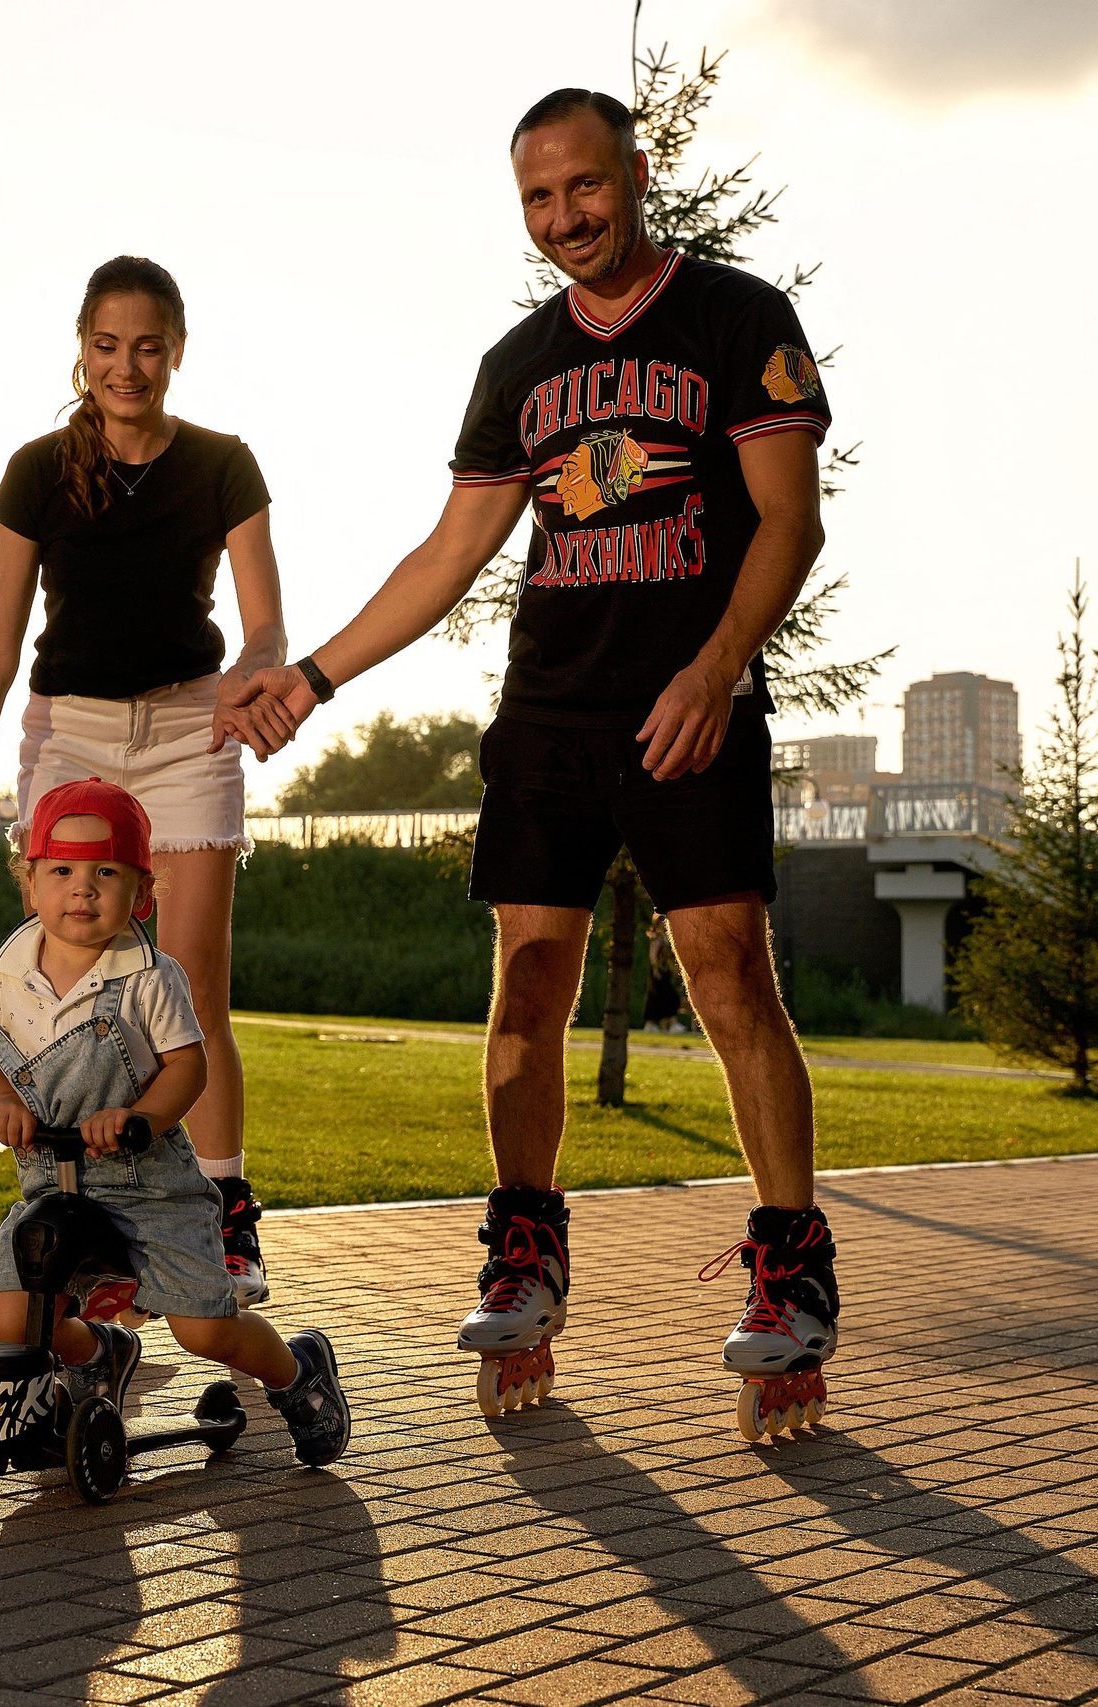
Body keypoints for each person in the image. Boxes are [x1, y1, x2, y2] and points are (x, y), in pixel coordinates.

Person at [219, 89, 840, 1397]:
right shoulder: (519, 366)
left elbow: (790, 524)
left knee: (729, 972)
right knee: (530, 975)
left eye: (584, 189)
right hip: (551, 710)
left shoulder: (737, 318)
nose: (564, 220)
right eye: (538, 202)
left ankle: (791, 1266)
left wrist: (714, 670)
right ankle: (523, 1255)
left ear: (638, 171)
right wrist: (317, 674)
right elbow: (453, 550)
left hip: (691, 701)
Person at [0, 256, 289, 1309]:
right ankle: (87, 1224)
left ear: (178, 350)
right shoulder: (38, 469)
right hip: (71, 735)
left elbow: (263, 615)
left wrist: (255, 673)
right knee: (75, 985)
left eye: (147, 345)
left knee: (189, 988)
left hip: (188, 727)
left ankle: (220, 1213)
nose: (126, 366)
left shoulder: (223, 463)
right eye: (105, 345)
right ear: (80, 350)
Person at [0, 780, 349, 1466]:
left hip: (151, 1185)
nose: (82, 890)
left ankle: (299, 1374)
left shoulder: (149, 975)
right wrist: (1, 1100)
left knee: (205, 1328)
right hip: (54, 1180)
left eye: (105, 873)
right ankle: (98, 1354)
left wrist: (139, 1115)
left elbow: (188, 1068)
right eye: (61, 871)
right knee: (13, 1315)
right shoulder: (4, 972)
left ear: (142, 892)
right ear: (29, 884)